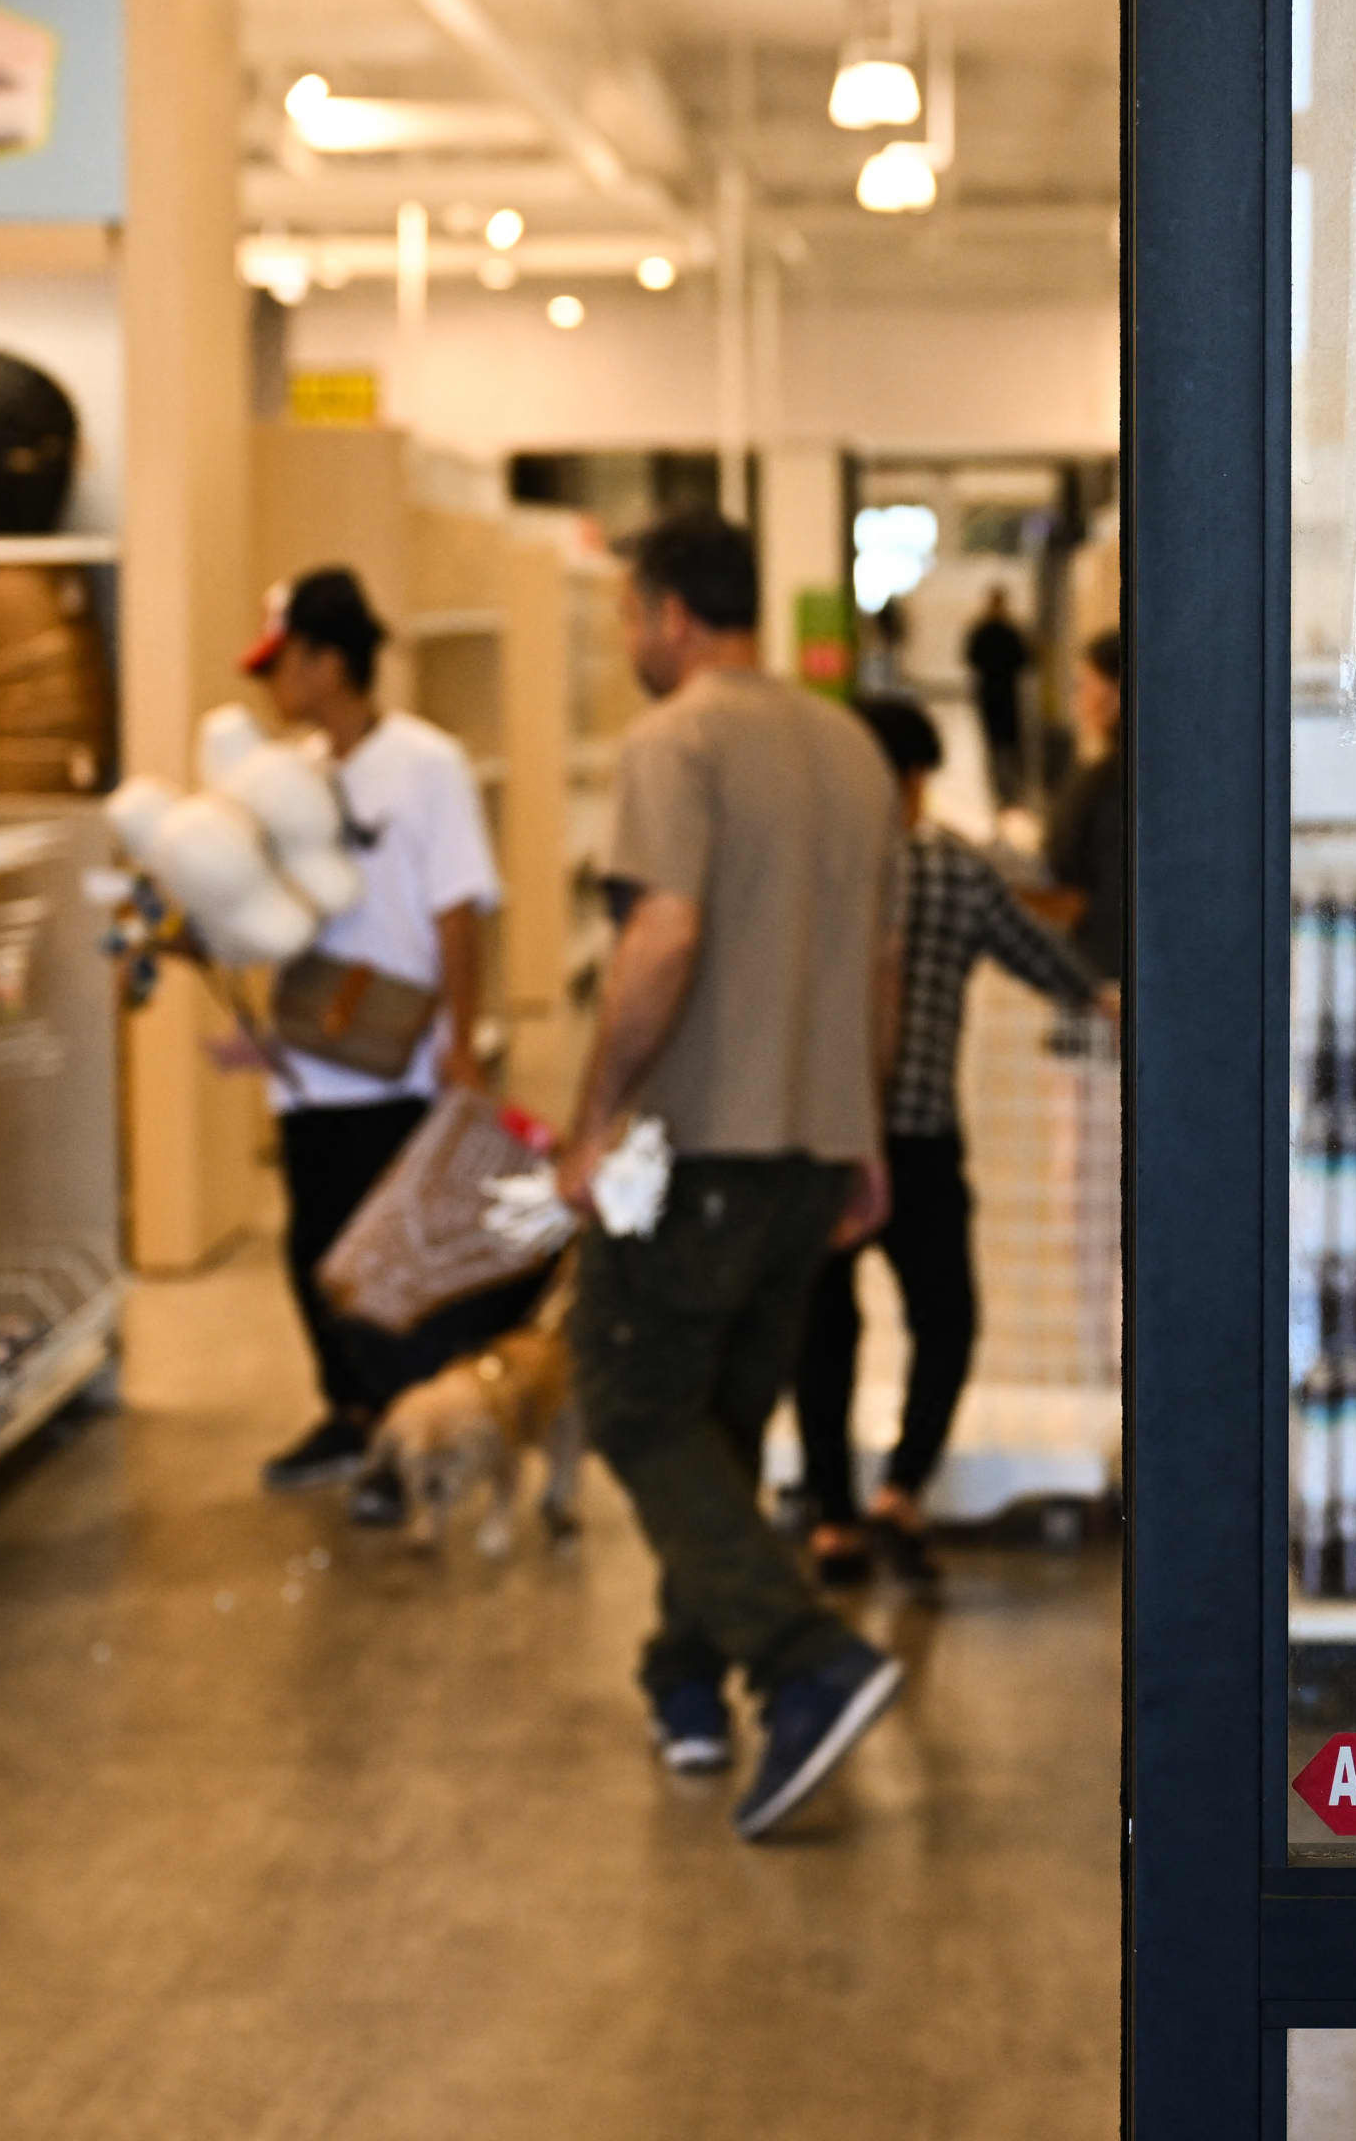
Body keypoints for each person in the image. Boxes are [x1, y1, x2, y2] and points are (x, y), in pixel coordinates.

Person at [558, 511, 909, 1841]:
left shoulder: (676, 739)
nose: (627, 637)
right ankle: (687, 1680)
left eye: (628, 613)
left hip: (700, 1145)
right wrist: (862, 1134)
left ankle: (805, 1661)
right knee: (718, 1425)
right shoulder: (853, 748)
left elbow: (663, 933)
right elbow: (877, 967)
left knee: (634, 1402)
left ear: (669, 615)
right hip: (812, 1152)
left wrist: (594, 1118)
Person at [797, 697, 1108, 1592]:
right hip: (921, 1136)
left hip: (821, 1136)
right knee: (947, 1320)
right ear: (913, 779)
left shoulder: (811, 867)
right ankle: (901, 1490)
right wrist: (1106, 999)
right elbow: (1048, 963)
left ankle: (831, 1520)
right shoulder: (951, 871)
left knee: (823, 1328)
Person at [235, 568, 504, 1502]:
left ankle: (406, 1436)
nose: (273, 683)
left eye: (284, 662)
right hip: (309, 1065)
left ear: (329, 662)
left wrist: (460, 1040)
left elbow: (459, 907)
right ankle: (349, 1415)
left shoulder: (427, 765)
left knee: (388, 1263)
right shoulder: (290, 776)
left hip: (396, 1062)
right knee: (312, 1251)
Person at [1040, 625, 1127, 980]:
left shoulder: (1104, 781)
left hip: (1104, 961)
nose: (1078, 701)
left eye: (1084, 686)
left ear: (1117, 692)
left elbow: (1066, 876)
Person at [964, 584, 1033, 808]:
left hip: (988, 691)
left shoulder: (981, 630)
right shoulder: (1010, 630)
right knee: (1010, 740)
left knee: (993, 741)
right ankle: (1013, 787)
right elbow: (1024, 660)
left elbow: (971, 658)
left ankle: (999, 788)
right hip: (1006, 690)